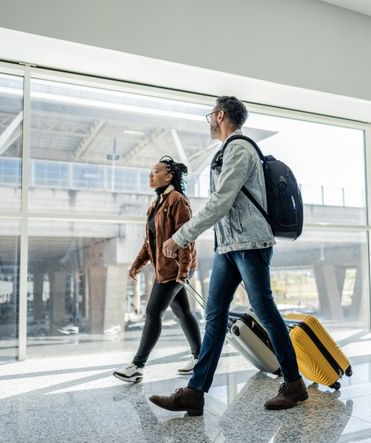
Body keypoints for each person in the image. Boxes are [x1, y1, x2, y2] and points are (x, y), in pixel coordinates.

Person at [149, 96, 307, 415]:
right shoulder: (227, 151)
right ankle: (195, 392)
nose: (209, 120)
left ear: (220, 116)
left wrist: (180, 237)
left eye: (211, 115)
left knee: (264, 310)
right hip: (229, 247)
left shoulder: (239, 149)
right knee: (215, 316)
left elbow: (220, 202)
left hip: (249, 245)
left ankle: (294, 384)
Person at [113, 157, 202, 383]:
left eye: (155, 172)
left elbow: (185, 237)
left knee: (153, 313)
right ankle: (200, 357)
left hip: (175, 269)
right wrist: (136, 265)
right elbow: (149, 242)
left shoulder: (177, 200)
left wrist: (183, 271)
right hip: (165, 269)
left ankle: (137, 366)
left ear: (169, 175)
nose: (149, 176)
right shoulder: (156, 204)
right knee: (183, 312)